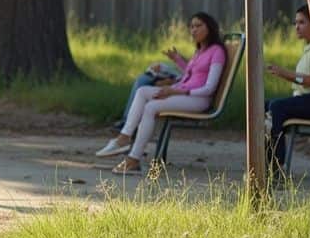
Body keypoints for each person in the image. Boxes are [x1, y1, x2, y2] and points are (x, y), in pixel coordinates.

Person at [96, 12, 227, 175]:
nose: (193, 30)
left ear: (210, 28)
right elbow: (191, 74)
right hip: (184, 94)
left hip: (198, 99)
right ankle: (124, 137)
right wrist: (177, 60)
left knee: (151, 107)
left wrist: (175, 91)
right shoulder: (200, 51)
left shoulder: (217, 52)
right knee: (143, 91)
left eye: (198, 26)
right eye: (191, 26)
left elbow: (209, 87)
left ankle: (133, 159)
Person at [264, 5, 310, 179]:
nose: (296, 26)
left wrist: (285, 73)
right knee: (262, 105)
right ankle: (264, 163)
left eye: (302, 22)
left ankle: (277, 168)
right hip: (307, 99)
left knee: (277, 107)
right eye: (295, 22)